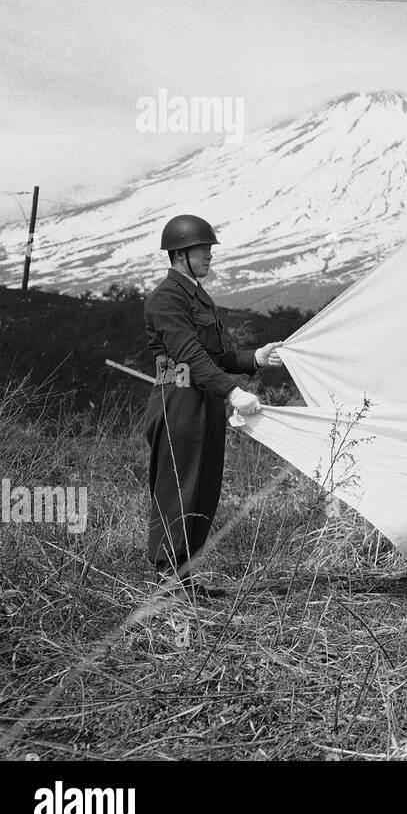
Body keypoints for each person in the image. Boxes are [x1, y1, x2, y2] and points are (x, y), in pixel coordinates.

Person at [143, 214, 283, 597]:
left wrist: (255, 357)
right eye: (202, 250)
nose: (209, 256)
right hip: (179, 402)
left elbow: (215, 356)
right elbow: (188, 354)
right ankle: (167, 584)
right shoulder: (166, 298)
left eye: (208, 250)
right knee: (178, 489)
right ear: (180, 253)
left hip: (205, 402)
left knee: (204, 490)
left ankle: (184, 578)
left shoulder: (197, 296)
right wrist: (233, 392)